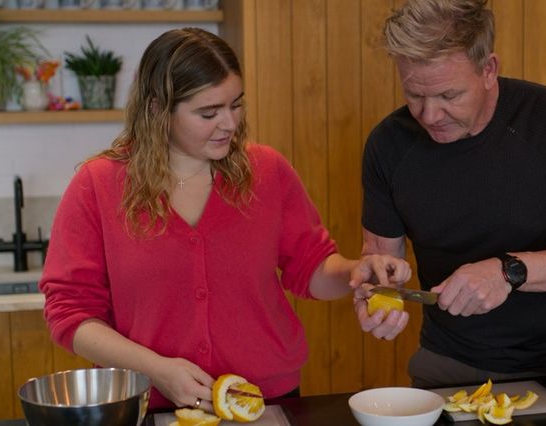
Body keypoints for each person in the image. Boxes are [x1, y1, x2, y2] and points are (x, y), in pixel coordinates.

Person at [39, 27, 411, 411]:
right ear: (156, 109)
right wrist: (156, 370)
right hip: (149, 403)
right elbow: (70, 313)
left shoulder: (267, 171)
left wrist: (356, 272)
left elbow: (311, 267)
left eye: (236, 104)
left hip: (265, 400)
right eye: (208, 112)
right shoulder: (98, 185)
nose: (230, 123)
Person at [354, 0, 546, 388]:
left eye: (449, 96)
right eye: (414, 95)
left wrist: (507, 272)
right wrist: (377, 294)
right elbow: (380, 259)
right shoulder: (387, 144)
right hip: (445, 363)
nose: (430, 115)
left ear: (489, 70)